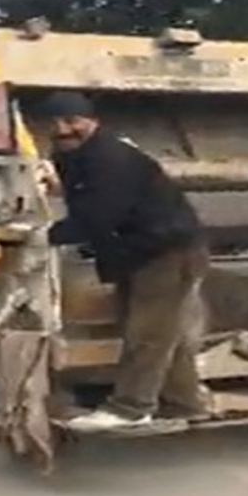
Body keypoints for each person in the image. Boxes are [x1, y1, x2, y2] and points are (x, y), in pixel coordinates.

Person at [36, 91, 209, 432]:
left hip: (168, 253)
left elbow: (100, 216)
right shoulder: (75, 155)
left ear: (93, 121)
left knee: (147, 333)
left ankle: (131, 408)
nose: (63, 129)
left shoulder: (110, 157)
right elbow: (83, 199)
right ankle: (183, 403)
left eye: (72, 121)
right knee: (163, 332)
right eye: (55, 123)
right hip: (141, 251)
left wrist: (43, 236)